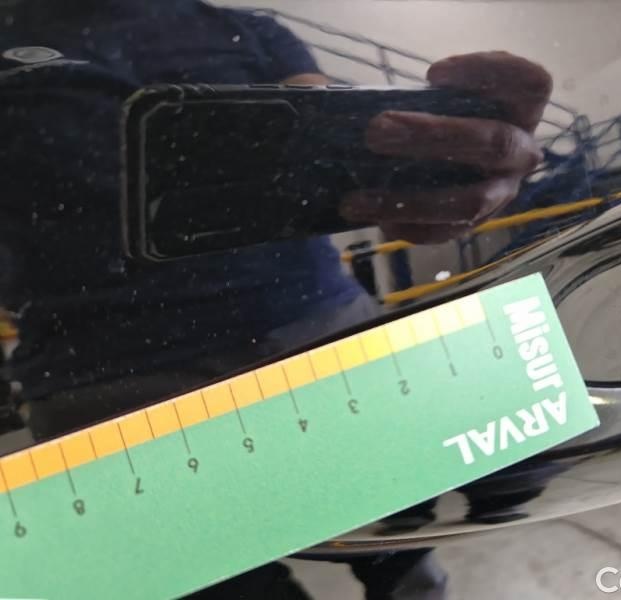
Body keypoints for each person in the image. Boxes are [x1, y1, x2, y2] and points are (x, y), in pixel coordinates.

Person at [0, 0, 552, 597]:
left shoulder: (251, 29)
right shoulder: (241, 30)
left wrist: (428, 169)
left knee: (404, 556)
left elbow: (335, 140)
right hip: (122, 388)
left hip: (299, 341)